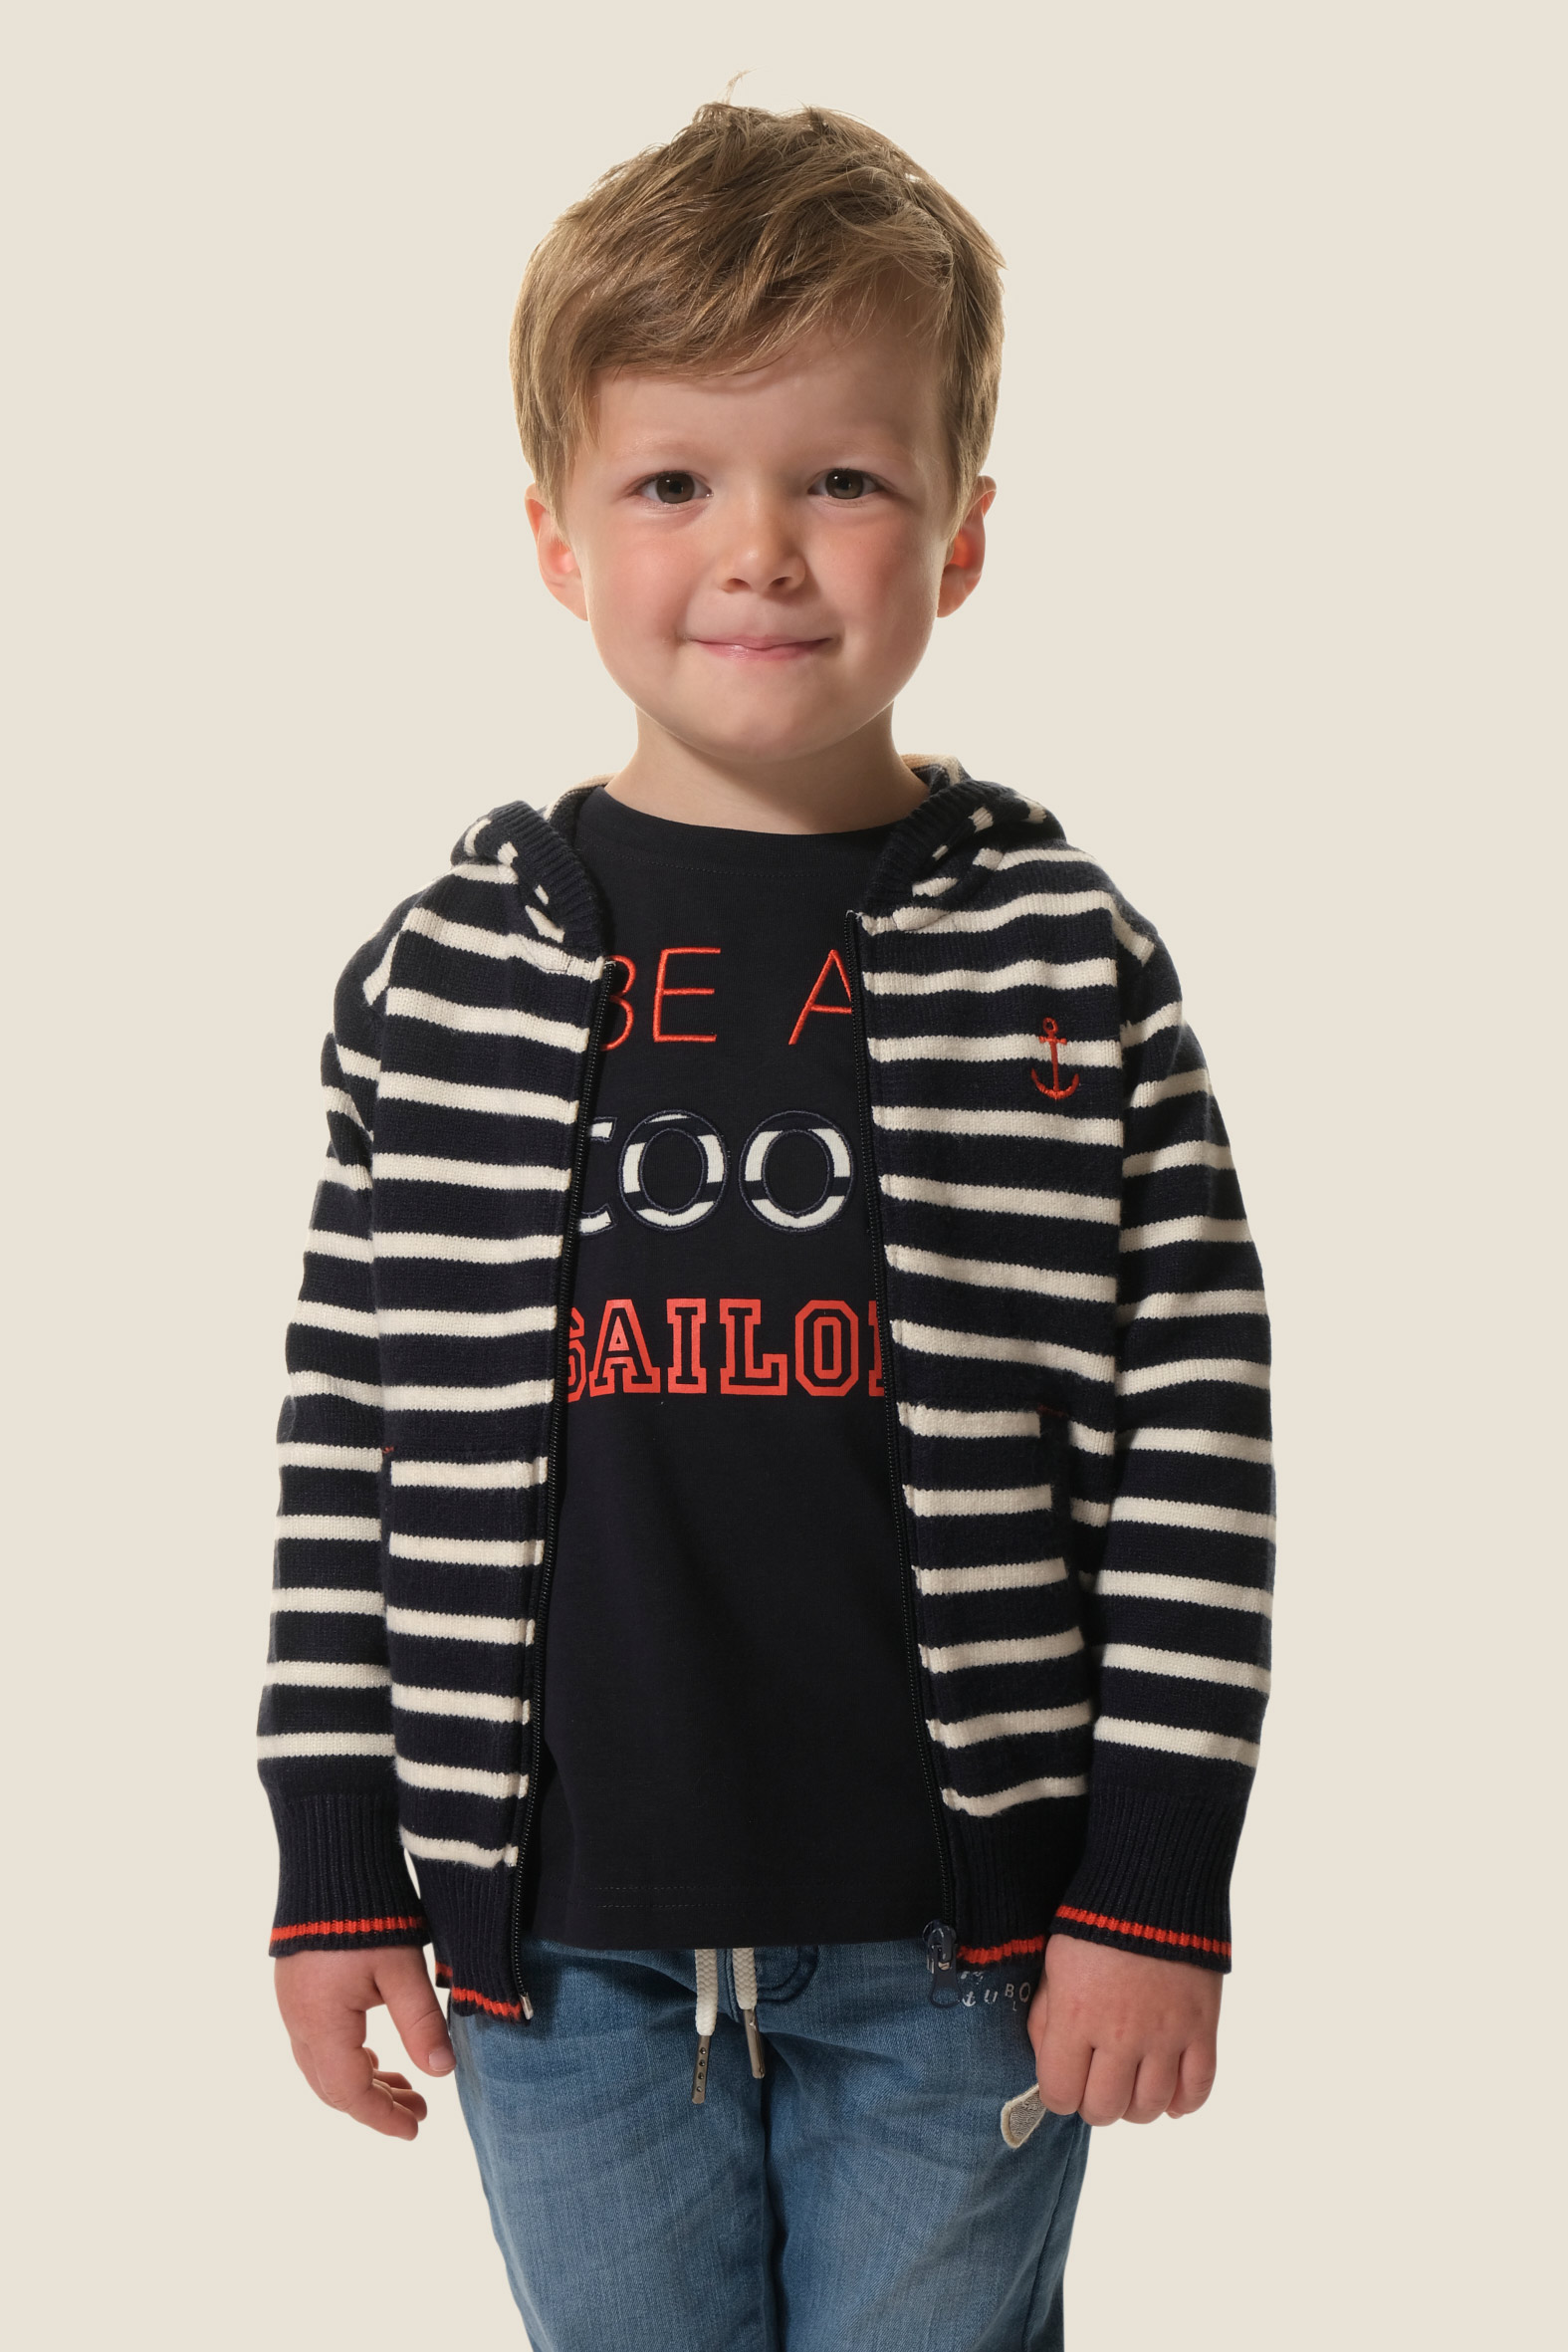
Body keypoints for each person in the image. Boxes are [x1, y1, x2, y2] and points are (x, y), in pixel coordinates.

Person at [259, 99, 1274, 2351]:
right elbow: (350, 1439)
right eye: (671, 484)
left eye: (841, 478)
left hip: (964, 1940)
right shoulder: (445, 972)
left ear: (962, 534)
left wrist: (1153, 1884)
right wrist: (335, 1857)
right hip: (556, 1942)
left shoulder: (1065, 963)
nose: (761, 551)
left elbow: (1196, 1446)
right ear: (554, 537)